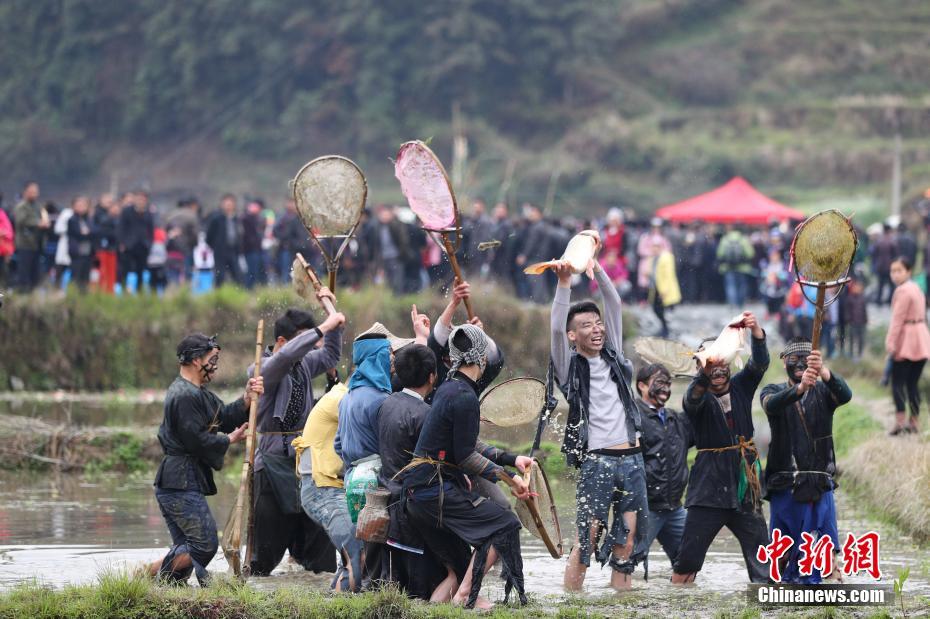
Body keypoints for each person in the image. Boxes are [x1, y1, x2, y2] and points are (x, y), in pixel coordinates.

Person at [401, 324, 531, 609]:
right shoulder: (464, 396)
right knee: (506, 524)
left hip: (417, 493)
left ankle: (440, 607)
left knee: (457, 569)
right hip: (432, 490)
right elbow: (466, 457)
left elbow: (468, 443)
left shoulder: (450, 388)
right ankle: (465, 597)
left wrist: (511, 459)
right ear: (482, 357)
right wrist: (511, 479)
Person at [549, 236, 649, 592]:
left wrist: (596, 268)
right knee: (588, 536)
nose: (597, 328)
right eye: (587, 326)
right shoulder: (569, 369)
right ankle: (571, 601)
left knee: (628, 539)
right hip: (598, 462)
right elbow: (555, 329)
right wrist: (564, 284)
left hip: (633, 460)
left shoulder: (616, 358)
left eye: (597, 323)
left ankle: (621, 600)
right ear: (573, 335)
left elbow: (615, 304)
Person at [146, 333, 263, 585]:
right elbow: (195, 440)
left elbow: (224, 415)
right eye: (212, 358)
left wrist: (246, 398)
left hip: (178, 481)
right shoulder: (185, 395)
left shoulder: (197, 393)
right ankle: (150, 572)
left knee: (187, 547)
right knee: (204, 545)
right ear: (197, 361)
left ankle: (166, 587)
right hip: (179, 481)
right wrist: (228, 440)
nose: (215, 364)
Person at [671, 311, 770, 584]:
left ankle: (768, 608)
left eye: (721, 362)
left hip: (743, 488)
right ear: (700, 369)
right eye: (709, 364)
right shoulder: (696, 397)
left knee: (763, 560)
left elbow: (760, 363)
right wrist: (704, 368)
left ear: (729, 364)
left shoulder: (741, 386)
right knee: (686, 564)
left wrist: (757, 332)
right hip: (708, 493)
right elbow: (692, 399)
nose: (716, 368)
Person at [248, 304, 345, 576]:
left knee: (318, 539)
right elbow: (284, 358)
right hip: (271, 464)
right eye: (305, 339)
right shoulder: (262, 368)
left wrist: (335, 322)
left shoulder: (304, 364)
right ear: (281, 341)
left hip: (304, 462)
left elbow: (330, 355)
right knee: (264, 553)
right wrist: (323, 327)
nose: (311, 346)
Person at [761, 338, 852, 583]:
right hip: (785, 483)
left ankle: (820, 596)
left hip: (819, 483)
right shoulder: (772, 391)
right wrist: (799, 389)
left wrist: (823, 372)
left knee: (821, 546)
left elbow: (845, 394)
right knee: (784, 549)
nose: (799, 364)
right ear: (784, 363)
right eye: (793, 359)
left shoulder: (824, 391)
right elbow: (771, 406)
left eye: (805, 359)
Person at [377, 344, 459, 602]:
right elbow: (438, 463)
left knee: (397, 585)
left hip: (388, 500)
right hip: (414, 506)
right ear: (433, 376)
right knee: (420, 588)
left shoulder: (387, 403)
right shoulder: (425, 414)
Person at [294, 379, 361, 592]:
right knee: (357, 555)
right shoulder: (342, 399)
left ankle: (333, 601)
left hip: (329, 488)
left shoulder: (346, 395)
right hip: (323, 490)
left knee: (350, 558)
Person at [635, 363, 692, 575]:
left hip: (675, 507)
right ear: (641, 385)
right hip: (645, 507)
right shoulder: (632, 417)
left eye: (668, 384)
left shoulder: (674, 418)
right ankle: (621, 599)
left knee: (688, 560)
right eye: (659, 383)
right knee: (627, 562)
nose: (666, 389)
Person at [885, 257, 930, 435]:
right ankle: (914, 422)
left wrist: (890, 343)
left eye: (899, 271)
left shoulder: (902, 291)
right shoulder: (917, 288)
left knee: (897, 383)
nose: (895, 275)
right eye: (893, 271)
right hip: (921, 337)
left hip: (906, 340)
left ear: (908, 271)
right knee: (912, 384)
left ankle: (900, 422)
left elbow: (897, 320)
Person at [12, 181, 49, 291]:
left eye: (36, 192)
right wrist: (38, 223)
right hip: (25, 244)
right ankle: (23, 296)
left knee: (36, 273)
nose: (34, 194)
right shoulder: (21, 207)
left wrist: (45, 224)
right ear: (25, 192)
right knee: (24, 273)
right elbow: (20, 221)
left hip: (37, 245)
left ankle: (33, 295)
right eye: (31, 191)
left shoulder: (38, 207)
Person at [118, 191, 154, 292]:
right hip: (129, 245)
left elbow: (150, 230)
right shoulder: (126, 211)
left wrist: (149, 244)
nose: (141, 201)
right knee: (125, 269)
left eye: (143, 199)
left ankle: (139, 291)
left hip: (143, 245)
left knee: (141, 271)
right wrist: (122, 242)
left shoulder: (148, 213)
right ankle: (124, 290)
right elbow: (121, 228)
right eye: (139, 199)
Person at [205, 194, 242, 287]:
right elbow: (209, 236)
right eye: (226, 204)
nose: (228, 206)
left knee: (237, 275)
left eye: (230, 204)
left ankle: (238, 294)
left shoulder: (236, 219)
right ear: (222, 204)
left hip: (233, 250)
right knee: (220, 275)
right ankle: (218, 296)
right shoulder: (216, 219)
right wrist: (216, 246)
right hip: (220, 251)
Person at [716, 225, 754, 307]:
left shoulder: (725, 239)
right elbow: (750, 253)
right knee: (742, 285)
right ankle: (740, 303)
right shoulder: (743, 239)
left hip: (728, 266)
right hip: (743, 267)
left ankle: (732, 303)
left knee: (730, 285)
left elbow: (719, 253)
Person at [66, 196, 95, 292]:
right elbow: (78, 233)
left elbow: (93, 231)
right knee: (76, 277)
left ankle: (84, 297)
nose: (81, 207)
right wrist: (85, 233)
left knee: (85, 277)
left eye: (83, 205)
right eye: (79, 205)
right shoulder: (72, 220)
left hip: (88, 252)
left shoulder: (89, 219)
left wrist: (87, 232)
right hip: (77, 252)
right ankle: (73, 297)